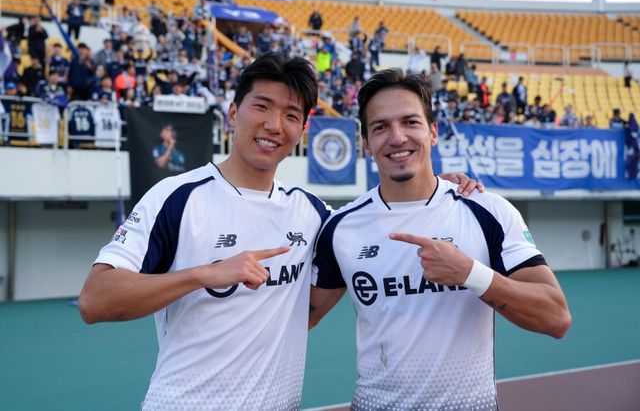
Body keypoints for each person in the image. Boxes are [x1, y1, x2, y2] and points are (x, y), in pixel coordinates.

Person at [78, 54, 479, 410]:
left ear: (303, 128)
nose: (273, 125)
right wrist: (204, 274)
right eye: (262, 107)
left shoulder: (312, 214)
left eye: (290, 115)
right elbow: (95, 300)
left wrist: (431, 185)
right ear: (232, 113)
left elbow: (373, 221)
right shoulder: (177, 197)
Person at [309, 68, 571, 411]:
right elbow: (300, 318)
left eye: (410, 122)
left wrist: (470, 273)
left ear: (433, 132)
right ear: (366, 143)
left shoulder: (488, 210)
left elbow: (556, 318)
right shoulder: (341, 227)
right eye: (380, 127)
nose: (397, 137)